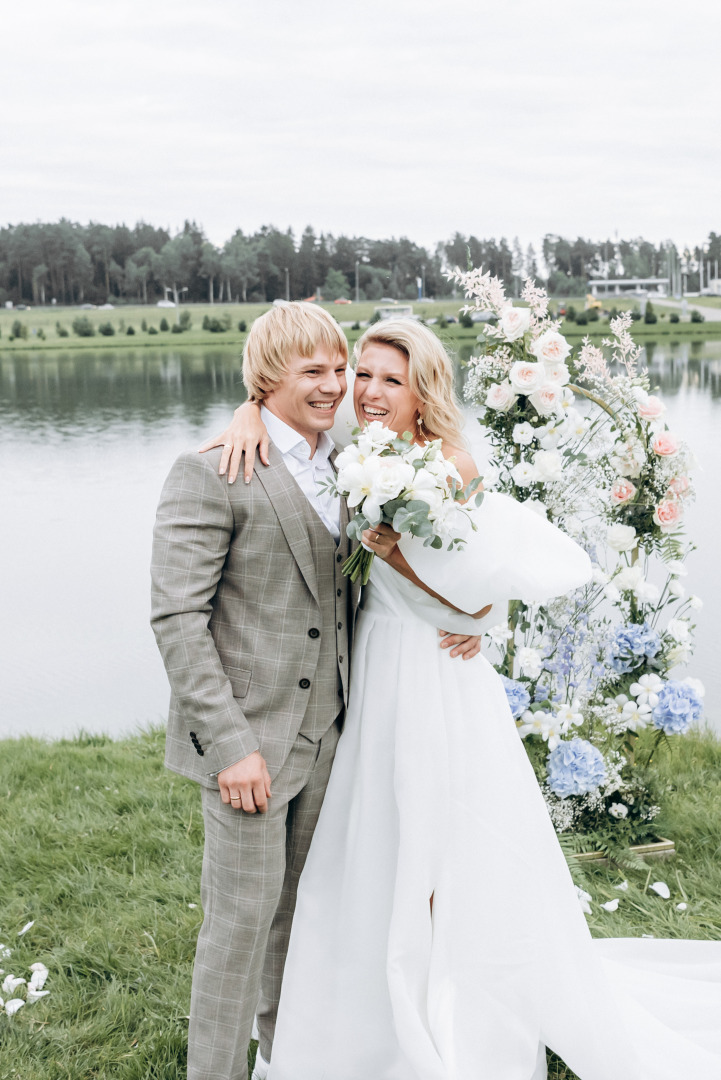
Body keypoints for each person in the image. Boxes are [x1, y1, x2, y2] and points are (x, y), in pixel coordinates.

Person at [202, 316, 721, 1080]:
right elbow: (288, 430)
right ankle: (358, 1001)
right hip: (370, 667)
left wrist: (403, 565)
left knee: (441, 837)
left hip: (431, 673)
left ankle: (443, 1000)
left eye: (390, 378)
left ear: (423, 389)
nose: (369, 391)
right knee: (370, 836)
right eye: (364, 375)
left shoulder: (450, 463)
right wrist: (249, 407)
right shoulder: (353, 453)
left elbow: (473, 601)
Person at [150, 304, 482, 1080]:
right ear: (267, 379)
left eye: (342, 369)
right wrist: (230, 748)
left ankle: (285, 1058)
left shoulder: (348, 457)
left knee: (297, 921)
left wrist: (476, 615)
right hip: (250, 743)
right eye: (315, 372)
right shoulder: (211, 470)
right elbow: (176, 619)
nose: (338, 386)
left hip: (332, 734)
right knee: (238, 926)